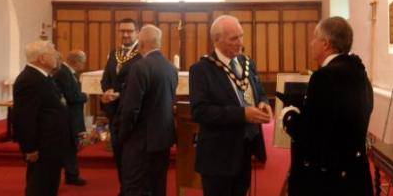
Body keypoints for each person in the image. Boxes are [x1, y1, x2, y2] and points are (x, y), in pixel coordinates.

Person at [281, 17, 374, 196]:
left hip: (329, 179)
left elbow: (312, 135)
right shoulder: (360, 72)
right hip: (355, 173)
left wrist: (288, 115)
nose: (311, 43)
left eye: (314, 38)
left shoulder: (324, 77)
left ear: (326, 44)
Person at [189, 15, 273, 196]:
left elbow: (260, 92)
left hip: (245, 149)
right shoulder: (201, 69)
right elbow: (200, 112)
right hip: (218, 156)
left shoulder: (247, 63)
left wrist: (263, 103)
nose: (240, 43)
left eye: (241, 36)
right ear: (217, 40)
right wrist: (242, 114)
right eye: (234, 38)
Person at [118, 24, 178, 196]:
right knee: (158, 185)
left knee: (135, 187)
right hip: (163, 139)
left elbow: (131, 108)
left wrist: (123, 134)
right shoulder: (170, 68)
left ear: (141, 43)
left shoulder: (140, 67)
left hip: (140, 140)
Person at [12, 41, 72, 196]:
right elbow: (24, 118)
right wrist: (30, 148)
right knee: (39, 187)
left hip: (52, 145)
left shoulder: (43, 77)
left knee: (49, 185)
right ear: (43, 58)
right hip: (42, 147)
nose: (57, 56)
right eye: (53, 53)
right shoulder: (29, 80)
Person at [100, 18, 142, 195]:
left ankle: (131, 189)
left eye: (130, 31)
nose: (125, 34)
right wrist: (107, 91)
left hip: (132, 114)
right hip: (114, 113)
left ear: (137, 32)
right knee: (118, 154)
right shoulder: (114, 53)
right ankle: (123, 187)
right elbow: (106, 78)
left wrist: (120, 94)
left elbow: (140, 85)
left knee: (131, 157)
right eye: (122, 31)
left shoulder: (142, 54)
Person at [53, 50, 88, 186]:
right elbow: (72, 96)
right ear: (75, 61)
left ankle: (72, 175)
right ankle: (72, 176)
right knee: (69, 148)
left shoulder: (68, 73)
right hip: (68, 117)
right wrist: (85, 96)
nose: (83, 65)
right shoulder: (64, 73)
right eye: (83, 62)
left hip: (71, 116)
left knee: (71, 147)